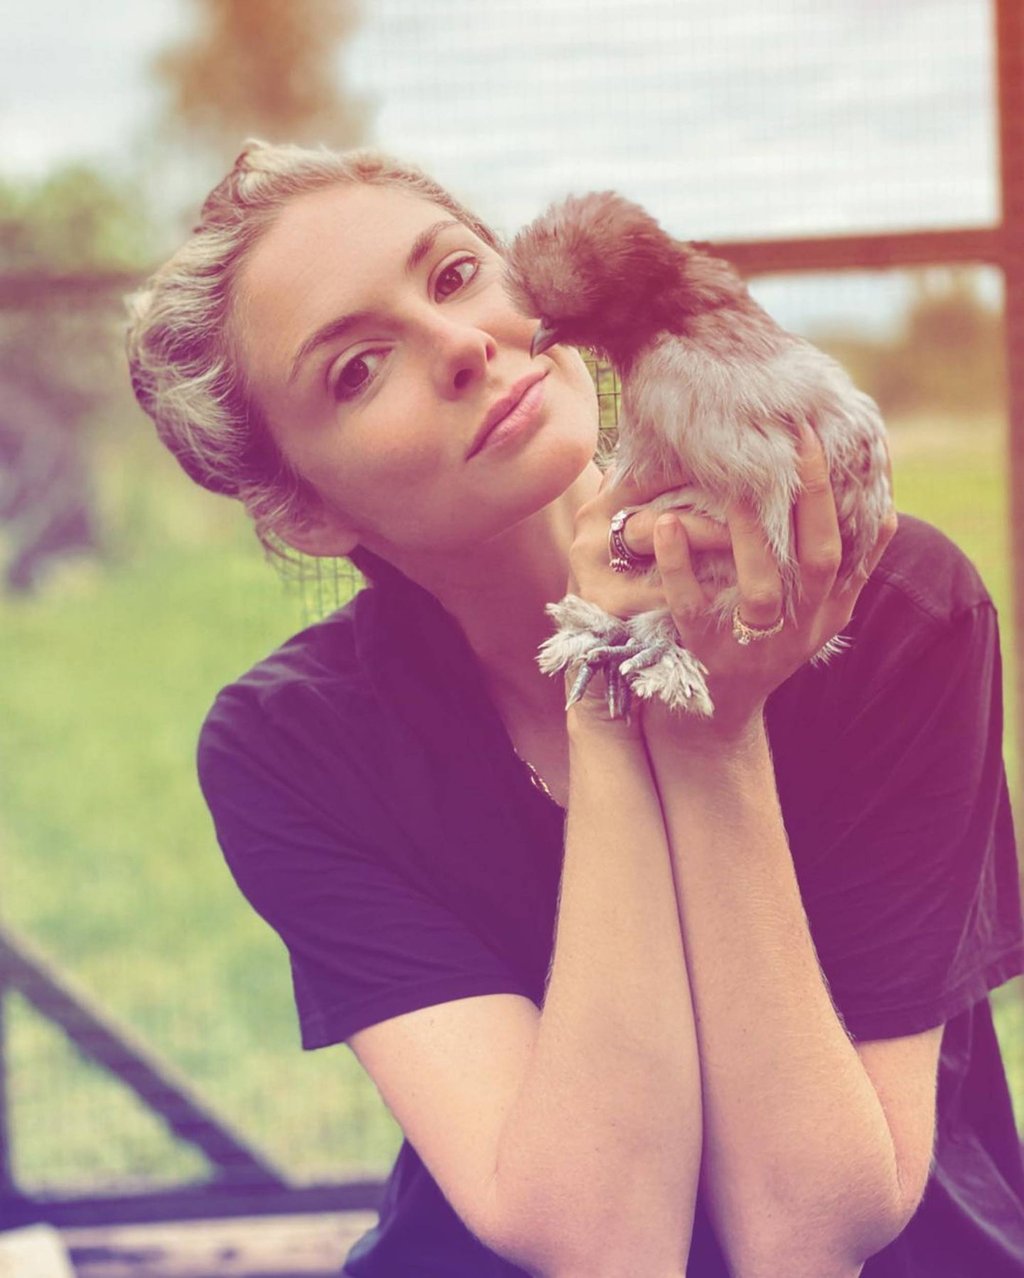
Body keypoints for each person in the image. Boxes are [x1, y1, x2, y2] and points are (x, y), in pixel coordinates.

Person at [126, 140, 1024, 1277]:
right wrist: (611, 696)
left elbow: (809, 1232)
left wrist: (710, 734)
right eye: (356, 369)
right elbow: (608, 1242)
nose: (463, 345)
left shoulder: (884, 604)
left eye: (454, 276)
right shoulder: (295, 748)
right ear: (304, 511)